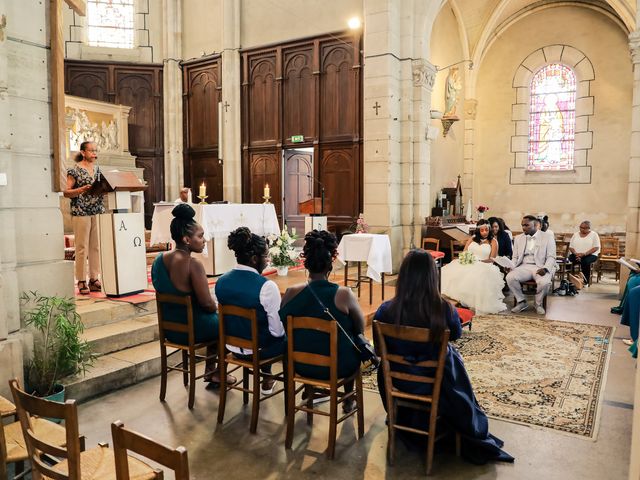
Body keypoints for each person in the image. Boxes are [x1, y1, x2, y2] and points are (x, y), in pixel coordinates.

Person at [374, 250, 514, 465]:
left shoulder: (385, 310)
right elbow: (456, 334)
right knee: (453, 361)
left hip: (397, 381)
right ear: (432, 276)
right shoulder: (443, 309)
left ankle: (402, 416)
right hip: (435, 384)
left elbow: (377, 351)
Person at [279, 230, 364, 412]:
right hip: (337, 367)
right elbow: (360, 328)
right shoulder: (343, 294)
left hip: (300, 365)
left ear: (305, 261)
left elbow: (283, 323)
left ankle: (309, 391)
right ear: (331, 261)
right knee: (352, 339)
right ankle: (348, 401)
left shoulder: (290, 293)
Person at [151, 204, 228, 384]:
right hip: (192, 328)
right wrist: (218, 308)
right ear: (186, 239)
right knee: (228, 323)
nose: (204, 240)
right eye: (200, 236)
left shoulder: (158, 260)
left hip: (170, 329)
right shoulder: (193, 264)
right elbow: (207, 305)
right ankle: (216, 371)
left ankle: (210, 371)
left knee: (216, 321)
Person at [215, 227, 285, 394]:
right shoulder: (267, 286)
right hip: (258, 351)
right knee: (287, 337)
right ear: (254, 259)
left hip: (231, 347)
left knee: (259, 327)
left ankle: (267, 378)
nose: (268, 261)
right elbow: (276, 332)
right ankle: (273, 382)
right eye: (266, 256)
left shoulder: (221, 281)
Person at [63, 141, 105, 295]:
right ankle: (81, 279)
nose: (95, 154)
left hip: (97, 211)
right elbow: (66, 192)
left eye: (96, 150)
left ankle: (93, 278)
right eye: (91, 151)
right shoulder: (74, 170)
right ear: (83, 152)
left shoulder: (98, 170)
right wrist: (81, 189)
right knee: (81, 247)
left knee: (95, 247)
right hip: (81, 212)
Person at [441, 220, 507, 314]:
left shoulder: (493, 241)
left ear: (489, 230)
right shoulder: (473, 238)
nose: (484, 232)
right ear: (478, 230)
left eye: (486, 230)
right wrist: (466, 259)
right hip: (469, 262)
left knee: (476, 276)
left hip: (484, 264)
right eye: (482, 230)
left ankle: (470, 302)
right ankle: (457, 301)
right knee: (453, 272)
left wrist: (478, 261)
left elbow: (492, 259)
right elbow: (464, 252)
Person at [507, 215, 557, 315]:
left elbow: (551, 257)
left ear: (536, 225)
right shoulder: (518, 238)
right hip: (523, 266)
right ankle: (521, 301)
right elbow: (515, 257)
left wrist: (546, 268)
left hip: (540, 266)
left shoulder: (548, 237)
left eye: (526, 225)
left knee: (544, 282)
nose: (524, 228)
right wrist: (511, 266)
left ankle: (538, 303)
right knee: (510, 277)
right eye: (522, 225)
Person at [568, 221, 601, 286]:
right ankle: (573, 279)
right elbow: (571, 246)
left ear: (588, 228)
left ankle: (585, 281)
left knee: (585, 261)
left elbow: (596, 247)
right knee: (570, 258)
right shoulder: (575, 234)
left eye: (583, 228)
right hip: (576, 255)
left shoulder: (594, 235)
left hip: (590, 255)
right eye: (580, 227)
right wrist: (576, 254)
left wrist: (584, 254)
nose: (581, 229)